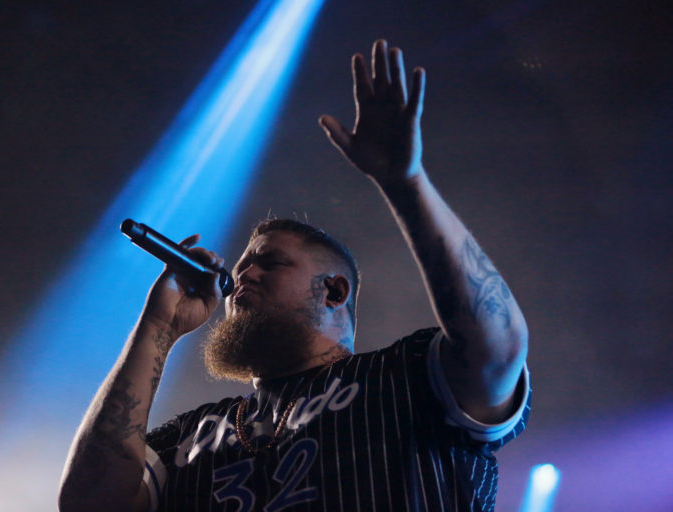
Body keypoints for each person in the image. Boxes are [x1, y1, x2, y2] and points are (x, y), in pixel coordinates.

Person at [59, 39, 530, 512]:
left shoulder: (405, 376)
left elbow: (498, 347)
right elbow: (88, 504)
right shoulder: (188, 436)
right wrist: (158, 326)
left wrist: (405, 184)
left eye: (271, 263)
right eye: (241, 267)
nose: (244, 276)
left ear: (334, 290)